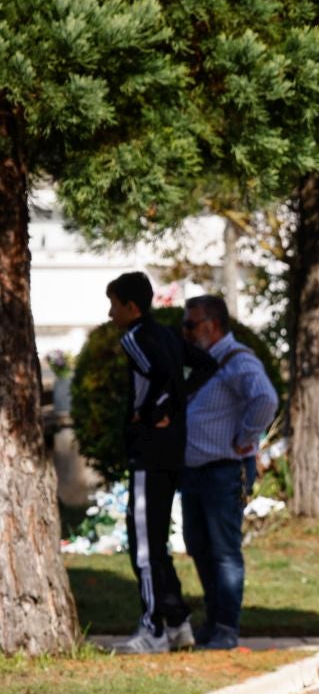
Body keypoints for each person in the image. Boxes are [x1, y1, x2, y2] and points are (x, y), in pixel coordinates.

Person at [106, 271, 211, 655]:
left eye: (114, 304)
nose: (110, 313)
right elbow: (205, 366)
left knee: (144, 547)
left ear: (131, 307)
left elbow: (157, 374)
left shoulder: (133, 338)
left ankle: (152, 628)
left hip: (148, 452)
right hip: (171, 449)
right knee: (156, 541)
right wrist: (174, 405)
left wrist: (151, 411)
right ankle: (179, 622)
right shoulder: (167, 333)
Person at [178, 295, 279, 650]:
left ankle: (226, 628)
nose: (185, 332)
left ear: (212, 325)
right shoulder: (206, 361)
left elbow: (265, 399)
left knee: (223, 550)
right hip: (195, 471)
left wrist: (246, 438)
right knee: (199, 545)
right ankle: (214, 620)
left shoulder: (237, 361)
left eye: (190, 325)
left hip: (223, 470)